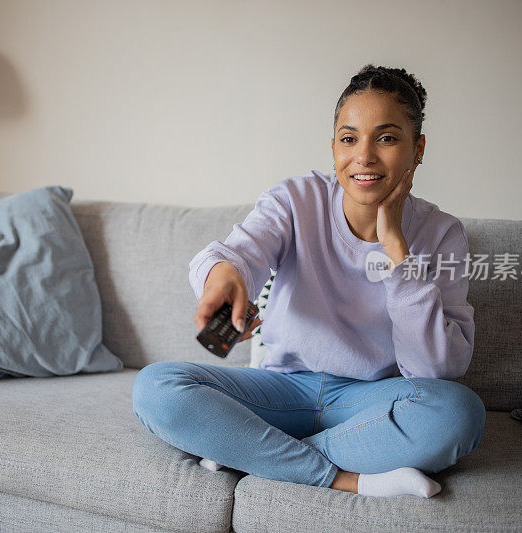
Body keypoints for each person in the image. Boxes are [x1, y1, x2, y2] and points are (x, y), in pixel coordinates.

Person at [132, 64, 486, 498]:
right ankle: (348, 480)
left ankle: (251, 454)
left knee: (458, 414)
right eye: (349, 138)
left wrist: (395, 248)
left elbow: (437, 370)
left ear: (418, 148)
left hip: (370, 403)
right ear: (334, 145)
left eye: (388, 138)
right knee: (157, 388)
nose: (365, 156)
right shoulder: (297, 199)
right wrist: (223, 276)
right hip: (281, 390)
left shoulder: (442, 233)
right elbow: (239, 254)